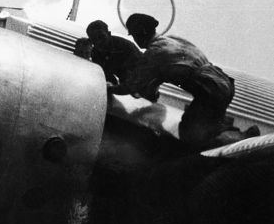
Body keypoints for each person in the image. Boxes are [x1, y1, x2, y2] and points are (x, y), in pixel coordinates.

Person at [124, 13, 259, 149]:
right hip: (223, 83)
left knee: (189, 132)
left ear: (142, 32)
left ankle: (241, 138)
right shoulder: (173, 39)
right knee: (207, 127)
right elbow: (158, 77)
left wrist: (111, 88)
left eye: (134, 35)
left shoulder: (154, 52)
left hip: (210, 90)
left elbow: (133, 85)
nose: (135, 39)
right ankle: (238, 135)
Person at [86, 20, 142, 94]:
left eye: (101, 37)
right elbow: (105, 76)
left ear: (109, 34)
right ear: (91, 41)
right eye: (94, 39)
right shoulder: (95, 53)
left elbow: (139, 73)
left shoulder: (125, 46)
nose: (99, 42)